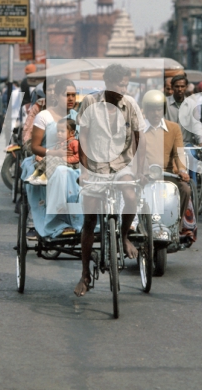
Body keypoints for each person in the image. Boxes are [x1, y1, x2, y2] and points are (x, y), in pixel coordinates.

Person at [74, 64, 146, 297]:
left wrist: (139, 170)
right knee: (89, 220)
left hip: (121, 165)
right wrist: (84, 170)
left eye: (125, 85)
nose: (122, 89)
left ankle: (124, 236)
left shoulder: (130, 105)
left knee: (130, 196)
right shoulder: (90, 103)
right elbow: (83, 137)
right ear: (106, 83)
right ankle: (85, 273)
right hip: (95, 167)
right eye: (118, 85)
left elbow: (138, 140)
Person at [20, 78, 81, 238]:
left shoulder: (77, 116)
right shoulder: (43, 116)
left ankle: (80, 221)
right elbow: (34, 147)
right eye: (66, 95)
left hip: (74, 161)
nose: (70, 99)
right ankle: (56, 221)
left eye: (73, 95)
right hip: (47, 158)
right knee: (61, 172)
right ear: (56, 96)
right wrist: (55, 154)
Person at [141, 89, 193, 236]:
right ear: (146, 111)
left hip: (168, 174)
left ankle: (177, 224)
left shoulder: (173, 128)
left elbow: (179, 153)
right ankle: (136, 224)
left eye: (159, 109)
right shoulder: (138, 129)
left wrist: (182, 170)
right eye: (152, 110)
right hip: (145, 176)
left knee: (185, 189)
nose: (156, 114)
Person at [27, 118, 79, 185]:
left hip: (71, 164)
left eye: (62, 131)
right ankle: (36, 175)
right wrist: (43, 158)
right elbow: (53, 154)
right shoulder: (59, 143)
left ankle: (44, 177)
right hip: (60, 161)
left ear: (72, 133)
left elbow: (79, 156)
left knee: (55, 160)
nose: (59, 134)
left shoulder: (74, 143)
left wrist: (68, 159)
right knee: (48, 159)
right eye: (58, 131)